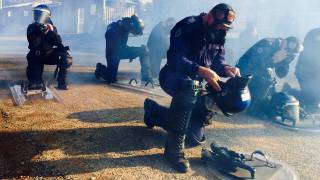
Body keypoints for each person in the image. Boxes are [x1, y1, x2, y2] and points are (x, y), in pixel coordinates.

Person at [143, 3, 240, 173]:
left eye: (224, 27)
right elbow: (175, 59)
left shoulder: (219, 33)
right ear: (210, 15)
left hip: (195, 81)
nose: (220, 29)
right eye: (218, 25)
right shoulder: (188, 25)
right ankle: (173, 151)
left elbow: (217, 62)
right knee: (191, 88)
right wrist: (200, 70)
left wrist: (226, 69)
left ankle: (154, 112)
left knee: (194, 137)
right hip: (173, 76)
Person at [236, 37, 303, 117]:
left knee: (270, 86)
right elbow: (255, 63)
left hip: (258, 72)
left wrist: (284, 62)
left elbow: (281, 74)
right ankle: (254, 109)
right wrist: (274, 59)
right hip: (244, 71)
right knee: (265, 81)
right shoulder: (268, 44)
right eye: (288, 51)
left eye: (291, 53)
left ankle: (260, 105)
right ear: (284, 43)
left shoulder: (283, 51)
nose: (288, 54)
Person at [95, 15, 153, 84]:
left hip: (120, 50)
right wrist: (132, 53)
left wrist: (132, 52)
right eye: (133, 31)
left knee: (143, 50)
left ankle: (146, 76)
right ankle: (100, 70)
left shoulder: (125, 27)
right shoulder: (114, 30)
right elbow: (117, 49)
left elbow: (122, 46)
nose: (132, 32)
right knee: (111, 78)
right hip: (112, 54)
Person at [26, 4, 72, 90]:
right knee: (36, 85)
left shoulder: (52, 28)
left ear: (47, 16)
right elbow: (34, 43)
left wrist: (52, 32)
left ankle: (62, 83)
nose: (36, 16)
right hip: (36, 56)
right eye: (36, 14)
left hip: (48, 54)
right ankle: (35, 81)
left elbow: (59, 43)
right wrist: (41, 31)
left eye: (39, 14)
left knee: (66, 57)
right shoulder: (31, 27)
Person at [290, 28, 320, 113]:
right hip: (305, 73)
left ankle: (312, 100)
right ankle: (291, 92)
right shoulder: (314, 35)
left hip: (312, 73)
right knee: (310, 98)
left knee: (313, 98)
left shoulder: (314, 34)